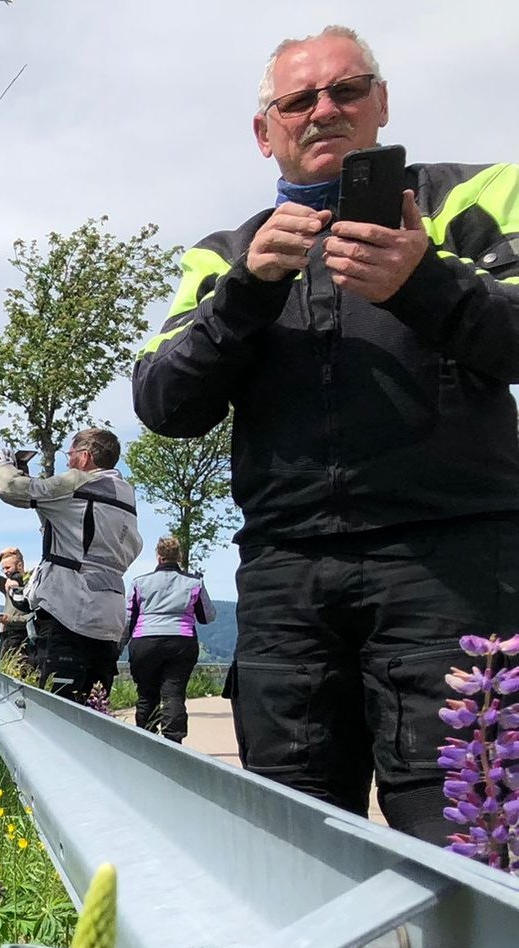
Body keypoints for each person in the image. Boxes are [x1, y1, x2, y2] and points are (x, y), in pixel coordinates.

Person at [133, 26, 519, 840]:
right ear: (264, 130)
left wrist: (425, 282)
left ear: (381, 102)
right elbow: (164, 403)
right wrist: (247, 292)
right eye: (298, 100)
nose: (324, 111)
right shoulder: (226, 254)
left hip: (453, 565)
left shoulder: (472, 196)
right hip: (286, 576)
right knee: (292, 838)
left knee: (469, 834)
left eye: (346, 90)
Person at [0, 429, 143, 703]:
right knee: (95, 709)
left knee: (58, 709)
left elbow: (10, 487)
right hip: (109, 617)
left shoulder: (77, 483)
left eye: (70, 455)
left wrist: (1, 462)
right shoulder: (124, 494)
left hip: (68, 612)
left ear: (85, 457)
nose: (68, 462)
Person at [123, 535, 216, 743]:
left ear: (158, 556)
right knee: (174, 694)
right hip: (181, 641)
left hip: (145, 641)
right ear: (179, 556)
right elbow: (208, 616)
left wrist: (119, 645)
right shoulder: (194, 583)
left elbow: (129, 618)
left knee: (146, 694)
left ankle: (146, 739)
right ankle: (174, 742)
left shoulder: (139, 582)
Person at [0, 547, 34, 667]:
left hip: (23, 636)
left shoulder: (31, 586)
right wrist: (0, 554)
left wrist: (9, 619)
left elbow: (33, 616)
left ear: (19, 565)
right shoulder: (7, 585)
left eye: (8, 567)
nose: (5, 572)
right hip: (6, 636)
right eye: (3, 568)